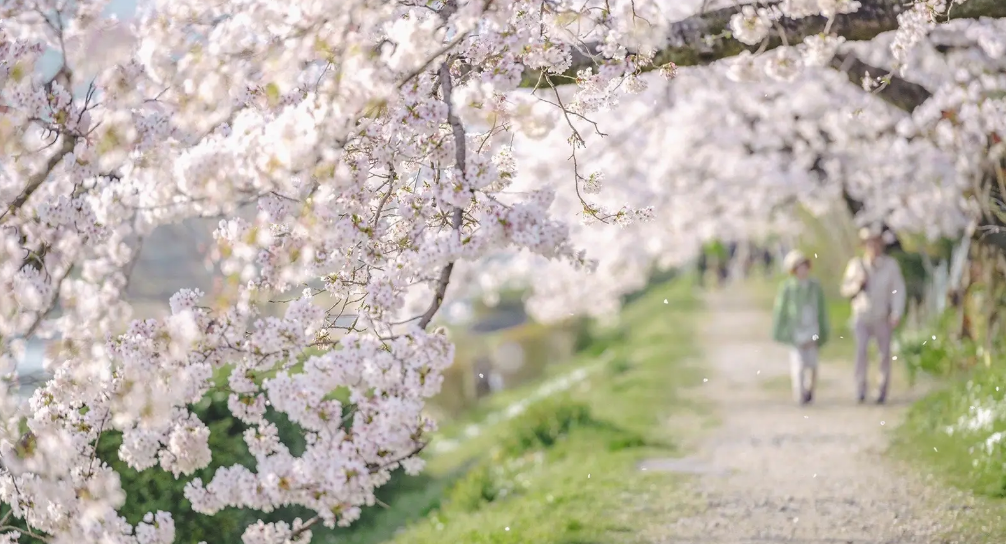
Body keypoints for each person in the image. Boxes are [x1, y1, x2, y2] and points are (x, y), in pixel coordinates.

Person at [840, 225, 906, 405]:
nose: (873, 247)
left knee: (884, 354)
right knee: (861, 352)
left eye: (876, 243)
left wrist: (896, 312)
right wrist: (857, 286)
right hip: (861, 315)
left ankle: (882, 389)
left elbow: (898, 290)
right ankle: (860, 388)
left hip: (882, 316)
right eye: (870, 244)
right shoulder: (856, 265)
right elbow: (845, 289)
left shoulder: (890, 266)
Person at [772, 250, 830, 405]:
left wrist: (824, 330)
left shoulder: (814, 286)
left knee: (812, 363)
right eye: (798, 267)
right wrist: (780, 329)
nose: (802, 270)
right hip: (796, 329)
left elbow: (822, 309)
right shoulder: (788, 288)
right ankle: (799, 393)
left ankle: (810, 389)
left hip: (813, 328)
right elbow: (781, 310)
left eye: (804, 266)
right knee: (798, 364)